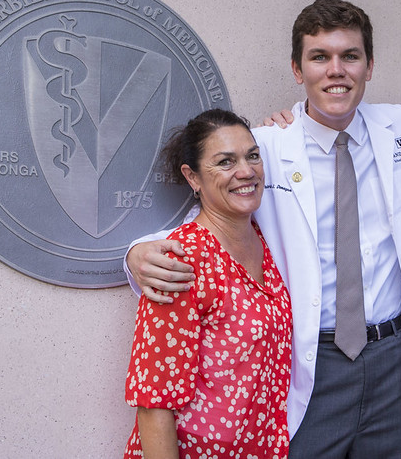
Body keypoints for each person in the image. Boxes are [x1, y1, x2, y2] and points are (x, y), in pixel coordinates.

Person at [125, 0, 401, 459]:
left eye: (350, 56)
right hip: (314, 365)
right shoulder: (267, 148)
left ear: (370, 66)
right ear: (297, 70)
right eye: (319, 57)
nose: (336, 71)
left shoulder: (400, 127)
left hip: (393, 361)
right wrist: (140, 252)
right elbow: (209, 216)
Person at [123, 109, 292, 459]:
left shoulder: (265, 240)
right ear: (193, 177)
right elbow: (155, 403)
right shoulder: (181, 262)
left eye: (253, 156)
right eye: (225, 162)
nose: (245, 171)